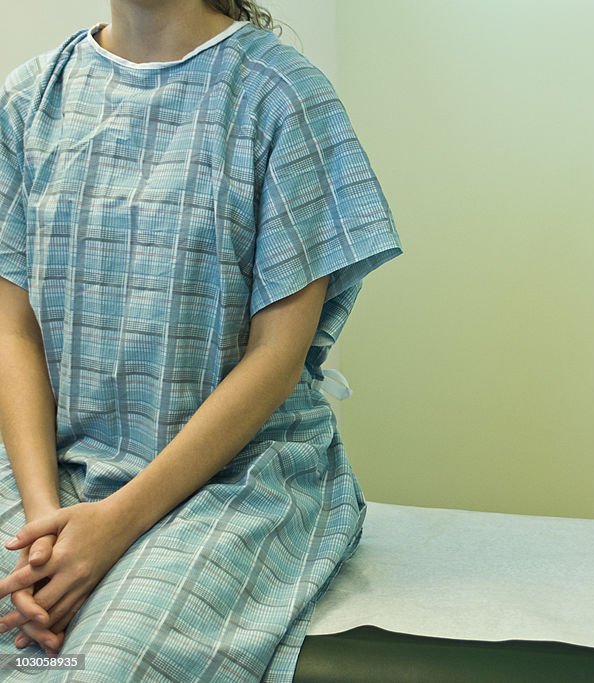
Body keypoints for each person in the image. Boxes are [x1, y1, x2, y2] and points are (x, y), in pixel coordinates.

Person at [0, 0, 402, 679]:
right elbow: (14, 329)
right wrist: (46, 528)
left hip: (235, 478)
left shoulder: (281, 98)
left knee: (96, 667)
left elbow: (276, 358)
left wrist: (114, 525)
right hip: (53, 467)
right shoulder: (31, 98)